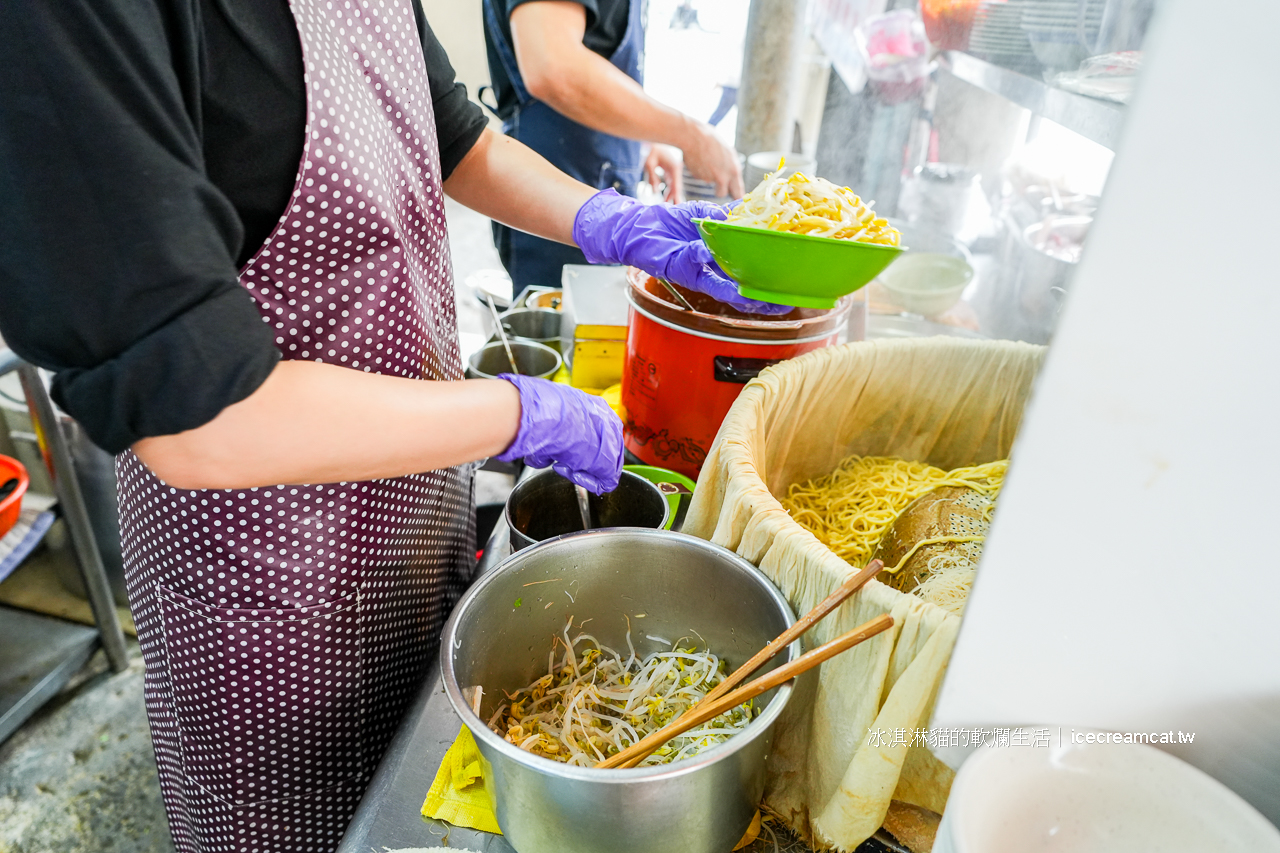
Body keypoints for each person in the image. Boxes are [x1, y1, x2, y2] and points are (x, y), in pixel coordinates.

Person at [0, 2, 782, 851]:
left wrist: (606, 220)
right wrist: (517, 411)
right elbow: (200, 418)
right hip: (265, 569)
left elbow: (457, 138)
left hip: (411, 508)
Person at [482, 0, 746, 296]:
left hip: (598, 180)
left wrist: (642, 137)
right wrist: (692, 135)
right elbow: (553, 65)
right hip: (553, 184)